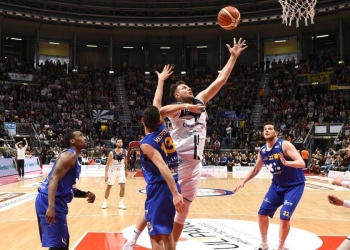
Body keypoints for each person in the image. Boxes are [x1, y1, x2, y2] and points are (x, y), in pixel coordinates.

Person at [123, 37, 247, 249]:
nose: (189, 88)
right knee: (157, 202)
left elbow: (221, 80)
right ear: (177, 95)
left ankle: (174, 245)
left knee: (183, 211)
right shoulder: (176, 110)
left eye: (188, 86)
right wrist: (163, 83)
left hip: (196, 165)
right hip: (177, 162)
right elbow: (157, 109)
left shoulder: (200, 99)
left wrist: (233, 57)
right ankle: (133, 238)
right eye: (183, 87)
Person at [233, 122, 305, 250]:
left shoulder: (285, 145)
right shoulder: (262, 151)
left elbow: (301, 163)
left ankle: (281, 247)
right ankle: (264, 245)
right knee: (262, 214)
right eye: (265, 129)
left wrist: (286, 163)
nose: (267, 130)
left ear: (276, 132)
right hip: (277, 185)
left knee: (284, 216)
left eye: (270, 129)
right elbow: (256, 169)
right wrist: (243, 181)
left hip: (294, 185)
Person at [35, 130, 96, 250]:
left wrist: (85, 194)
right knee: (59, 246)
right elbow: (53, 179)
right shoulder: (69, 155)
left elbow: (66, 187)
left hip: (55, 200)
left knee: (64, 243)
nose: (85, 138)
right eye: (80, 135)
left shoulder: (73, 157)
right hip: (49, 200)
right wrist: (51, 206)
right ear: (72, 141)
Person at [137, 105, 185, 250]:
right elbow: (159, 107)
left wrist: (175, 195)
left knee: (156, 235)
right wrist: (161, 81)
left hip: (160, 189)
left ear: (142, 121)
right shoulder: (163, 129)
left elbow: (163, 167)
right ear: (159, 120)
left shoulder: (146, 144)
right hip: (172, 184)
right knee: (167, 233)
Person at [101, 138, 128, 210]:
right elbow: (107, 164)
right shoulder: (112, 153)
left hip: (121, 170)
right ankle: (105, 202)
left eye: (121, 142)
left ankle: (121, 203)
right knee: (109, 187)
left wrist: (126, 170)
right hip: (113, 171)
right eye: (118, 142)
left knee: (123, 186)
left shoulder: (125, 152)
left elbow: (126, 161)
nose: (120, 143)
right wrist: (106, 174)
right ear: (116, 143)